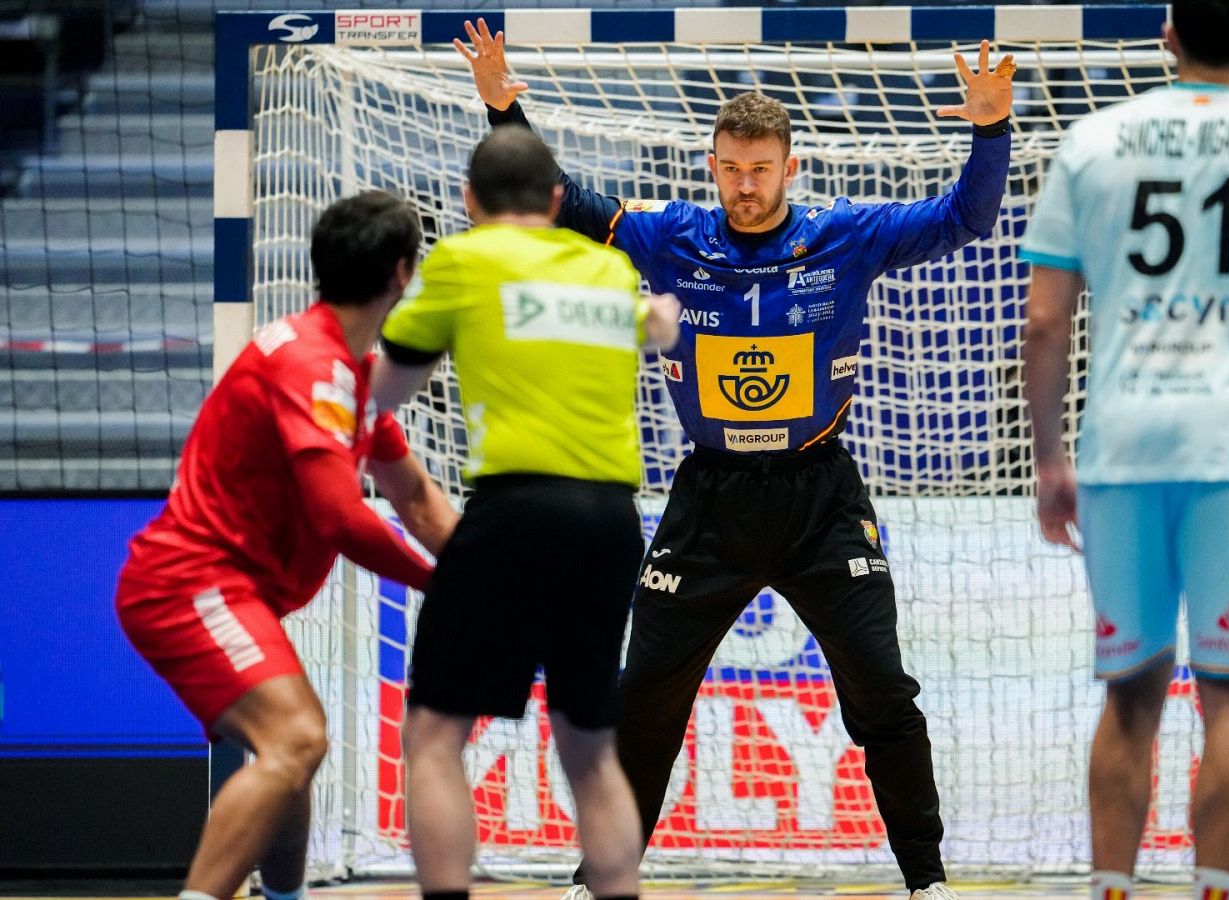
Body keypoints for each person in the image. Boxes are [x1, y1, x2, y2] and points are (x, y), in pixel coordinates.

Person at [451, 18, 1016, 900]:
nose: (744, 186)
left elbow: (967, 217)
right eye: (730, 168)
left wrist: (989, 129)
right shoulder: (671, 237)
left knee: (881, 693)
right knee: (643, 703)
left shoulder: (846, 237)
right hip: (709, 502)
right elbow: (558, 202)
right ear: (711, 166)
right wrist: (503, 107)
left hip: (820, 499)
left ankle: (927, 882)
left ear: (792, 168)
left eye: (760, 170)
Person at [1020, 1, 1229, 898]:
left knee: (1129, 696)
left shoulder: (1090, 144)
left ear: (1166, 35)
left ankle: (1112, 892)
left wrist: (1052, 459)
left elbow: (1045, 321)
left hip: (1122, 450)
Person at [115, 191, 458, 900]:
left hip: (231, 589)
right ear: (402, 274)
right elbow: (338, 517)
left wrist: (492, 570)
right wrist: (445, 585)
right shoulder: (314, 367)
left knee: (295, 745)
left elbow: (417, 500)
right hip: (190, 582)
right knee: (296, 738)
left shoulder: (350, 377)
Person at [371, 125, 682, 900]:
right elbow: (656, 328)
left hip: (514, 509)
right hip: (613, 520)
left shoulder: (462, 257)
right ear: (553, 199)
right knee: (590, 747)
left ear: (470, 202)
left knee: (435, 735)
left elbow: (386, 393)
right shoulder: (610, 269)